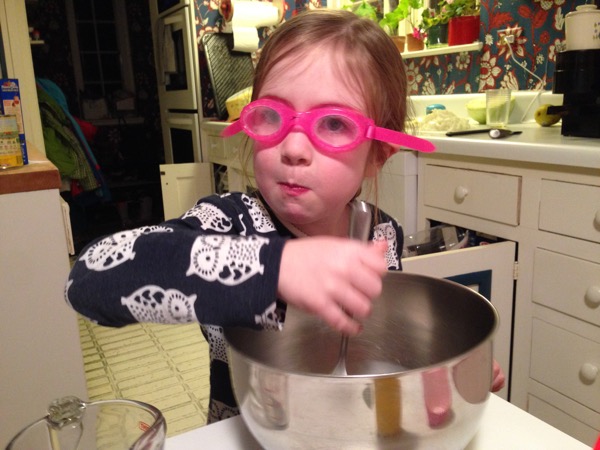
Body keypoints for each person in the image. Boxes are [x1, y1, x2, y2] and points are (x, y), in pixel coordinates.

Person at [65, 9, 502, 425]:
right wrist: (274, 269)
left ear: (378, 155)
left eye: (334, 124)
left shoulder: (381, 233)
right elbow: (89, 280)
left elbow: (382, 342)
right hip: (254, 434)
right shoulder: (231, 223)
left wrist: (437, 375)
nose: (292, 148)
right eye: (272, 115)